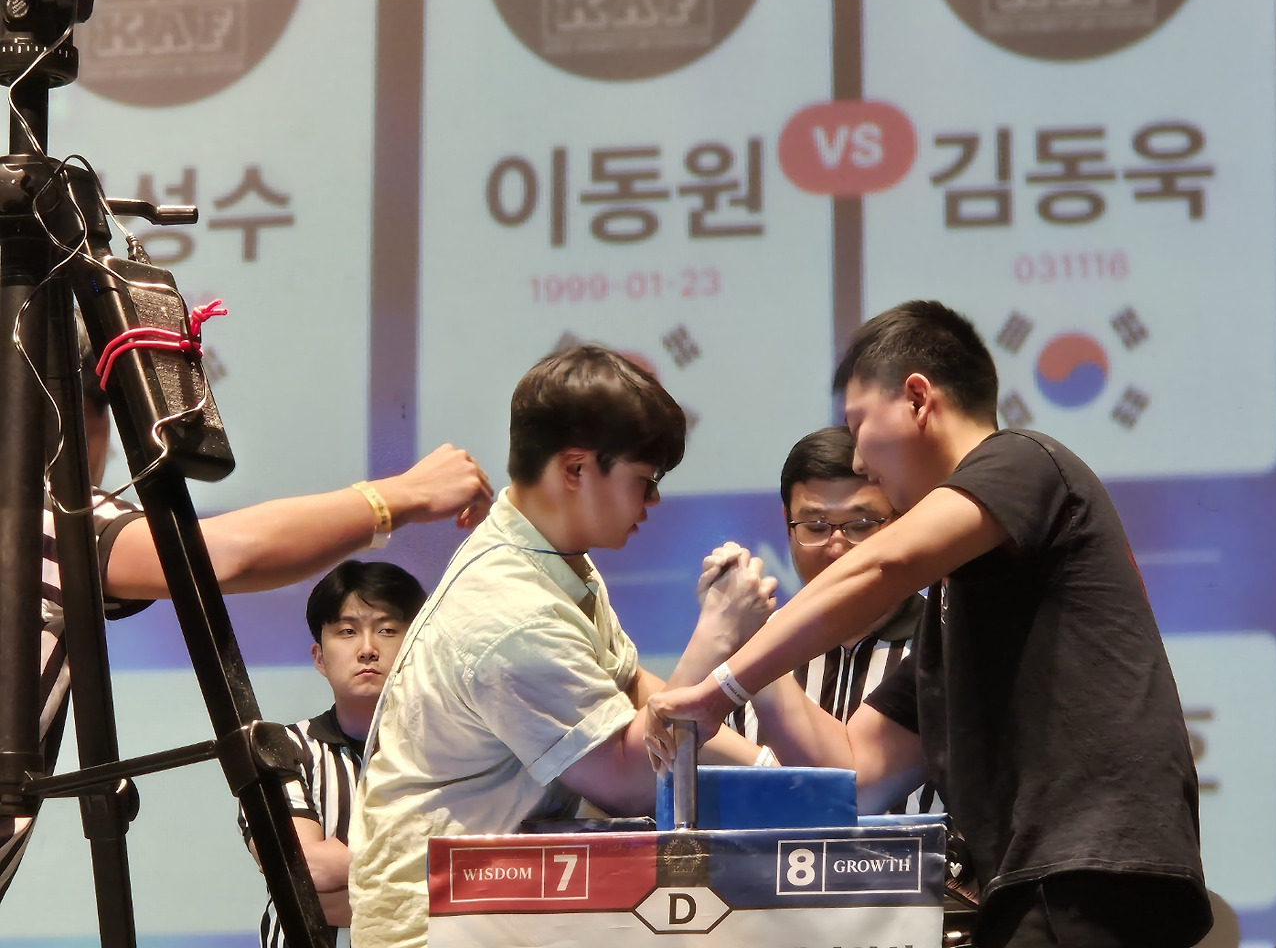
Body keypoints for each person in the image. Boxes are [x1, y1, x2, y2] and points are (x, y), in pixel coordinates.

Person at [647, 300, 1213, 948]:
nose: (861, 460)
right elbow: (857, 773)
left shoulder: (1023, 460)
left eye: (859, 424)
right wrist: (744, 653)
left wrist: (722, 688)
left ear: (918, 399)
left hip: (1089, 869)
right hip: (1034, 882)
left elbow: (881, 565)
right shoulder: (960, 598)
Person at [0, 356, 494, 901]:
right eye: (102, 428)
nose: (107, 457)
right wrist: (402, 495)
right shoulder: (34, 520)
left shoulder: (459, 751)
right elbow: (226, 555)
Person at [349, 344, 776, 948]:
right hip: (438, 925)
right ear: (575, 469)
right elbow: (627, 778)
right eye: (645, 480)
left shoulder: (549, 554)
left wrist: (766, 770)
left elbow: (631, 690)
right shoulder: (512, 613)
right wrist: (716, 637)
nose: (653, 502)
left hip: (499, 903)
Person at [728, 425, 938, 813]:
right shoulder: (750, 644)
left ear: (902, 521)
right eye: (815, 527)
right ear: (786, 522)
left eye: (861, 526)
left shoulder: (942, 645)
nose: (837, 548)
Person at [241, 560, 427, 948]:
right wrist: (425, 867)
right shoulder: (283, 748)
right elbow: (301, 872)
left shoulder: (455, 750)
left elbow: (482, 872)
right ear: (320, 658)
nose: (368, 649)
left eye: (387, 630)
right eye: (347, 631)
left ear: (418, 650)